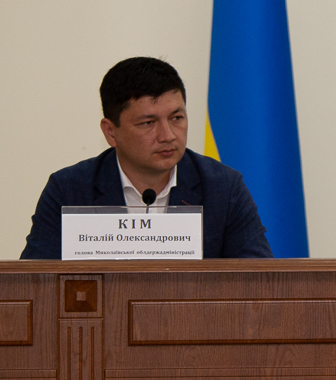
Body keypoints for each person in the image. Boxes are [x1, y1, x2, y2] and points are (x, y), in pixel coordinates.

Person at [21, 57, 272, 259]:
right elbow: (36, 287)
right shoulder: (68, 190)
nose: (168, 135)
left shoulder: (223, 188)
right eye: (148, 123)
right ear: (111, 132)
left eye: (176, 118)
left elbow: (259, 284)